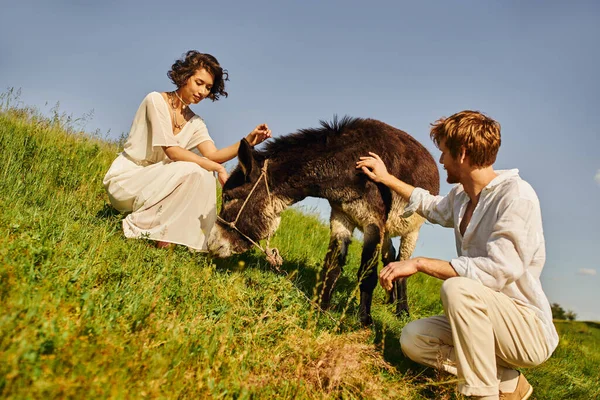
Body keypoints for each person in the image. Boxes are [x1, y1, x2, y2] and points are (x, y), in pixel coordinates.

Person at [356, 110, 558, 400]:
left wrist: (419, 263)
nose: (440, 161)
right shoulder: (463, 197)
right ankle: (508, 382)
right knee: (415, 339)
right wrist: (387, 178)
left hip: (525, 330)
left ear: (461, 154)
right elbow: (429, 204)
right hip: (485, 318)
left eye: (444, 153)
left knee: (459, 288)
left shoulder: (516, 197)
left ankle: (482, 395)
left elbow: (498, 269)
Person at [103, 50, 271, 251]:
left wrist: (247, 142)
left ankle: (165, 238)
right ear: (185, 76)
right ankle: (141, 227)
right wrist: (216, 168)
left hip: (159, 183)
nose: (202, 91)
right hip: (129, 180)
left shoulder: (196, 122)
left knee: (200, 173)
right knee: (193, 168)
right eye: (199, 83)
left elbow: (213, 155)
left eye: (208, 87)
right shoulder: (155, 100)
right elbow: (173, 152)